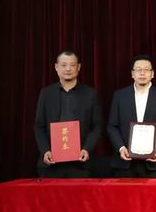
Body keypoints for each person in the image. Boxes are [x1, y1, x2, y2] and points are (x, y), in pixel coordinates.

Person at [33, 50, 103, 178]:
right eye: (64, 65)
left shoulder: (90, 94)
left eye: (72, 65)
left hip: (81, 163)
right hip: (51, 163)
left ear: (79, 67)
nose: (68, 69)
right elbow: (39, 126)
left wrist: (87, 148)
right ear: (56, 67)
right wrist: (45, 150)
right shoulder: (46, 93)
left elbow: (97, 125)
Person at [107, 54, 156, 177]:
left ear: (152, 74)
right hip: (125, 162)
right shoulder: (119, 96)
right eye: (138, 69)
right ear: (132, 73)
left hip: (154, 163)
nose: (142, 73)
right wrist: (121, 148)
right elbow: (112, 126)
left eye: (146, 69)